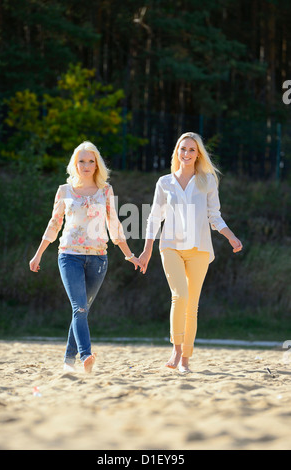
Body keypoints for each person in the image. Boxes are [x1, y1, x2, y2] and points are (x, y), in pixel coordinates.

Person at [29, 141, 140, 373]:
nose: (86, 165)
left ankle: (68, 361)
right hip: (69, 256)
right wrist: (38, 254)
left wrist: (129, 255)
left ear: (97, 164)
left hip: (99, 259)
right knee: (79, 307)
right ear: (75, 164)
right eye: (82, 161)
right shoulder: (64, 191)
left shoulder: (106, 191)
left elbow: (114, 225)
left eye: (91, 161)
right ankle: (86, 355)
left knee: (81, 310)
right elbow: (54, 224)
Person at [138, 132, 242, 374]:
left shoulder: (207, 181)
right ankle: (176, 348)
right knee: (179, 296)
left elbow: (213, 215)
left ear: (198, 154)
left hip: (200, 249)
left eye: (191, 150)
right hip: (170, 246)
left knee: (192, 305)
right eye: (182, 149)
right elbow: (154, 217)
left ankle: (185, 358)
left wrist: (231, 236)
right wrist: (146, 250)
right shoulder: (164, 183)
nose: (186, 153)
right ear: (177, 151)